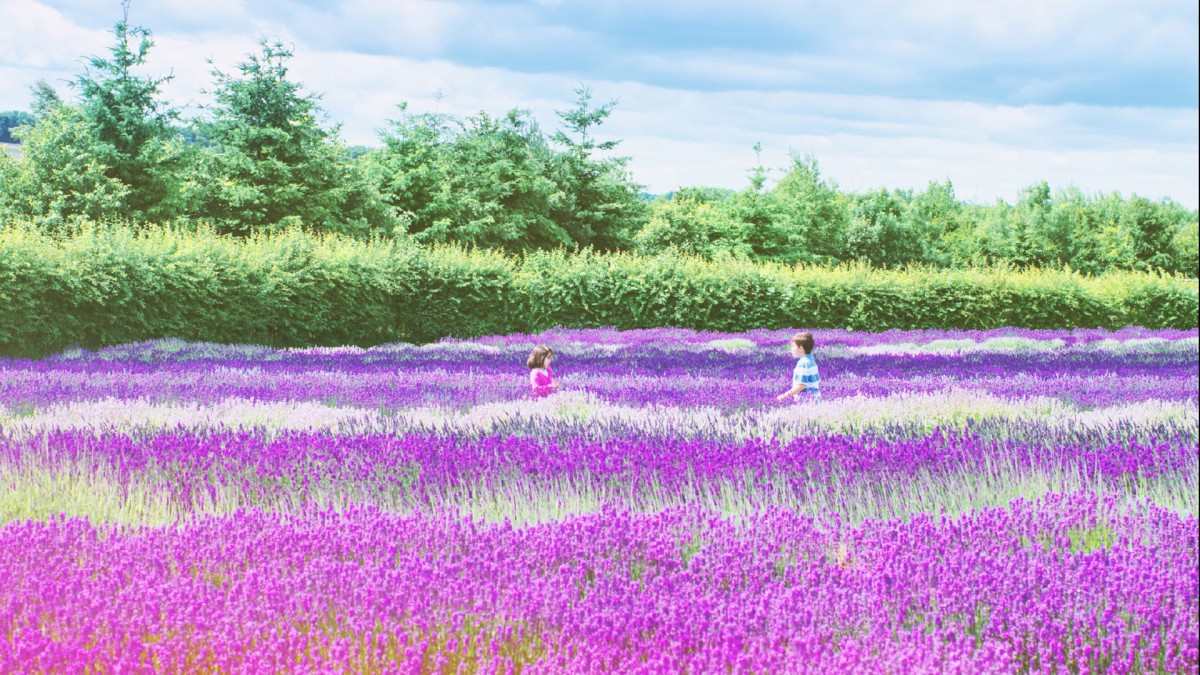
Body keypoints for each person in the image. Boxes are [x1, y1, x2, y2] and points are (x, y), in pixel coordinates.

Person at [775, 332, 821, 403]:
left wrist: (785, 396)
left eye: (793, 346)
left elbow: (801, 385)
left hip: (807, 400)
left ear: (801, 348)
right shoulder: (811, 360)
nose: (791, 349)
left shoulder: (803, 364)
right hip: (816, 397)